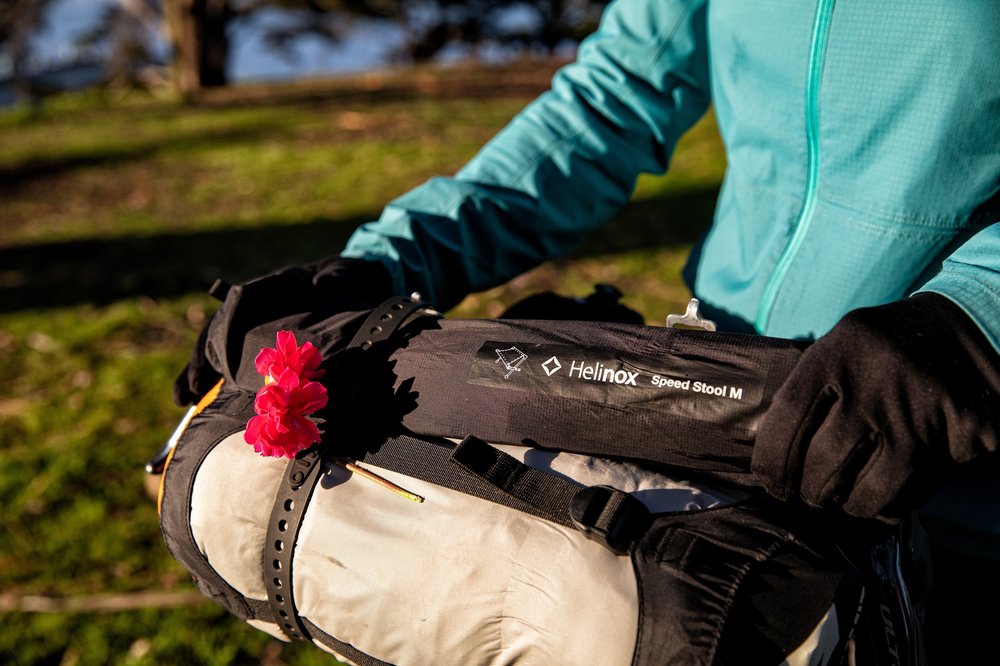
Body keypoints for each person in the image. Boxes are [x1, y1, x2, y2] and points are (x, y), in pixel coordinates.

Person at [176, 0, 1000, 661]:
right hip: (716, 413)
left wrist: (972, 319)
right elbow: (614, 99)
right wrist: (380, 267)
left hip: (958, 456)